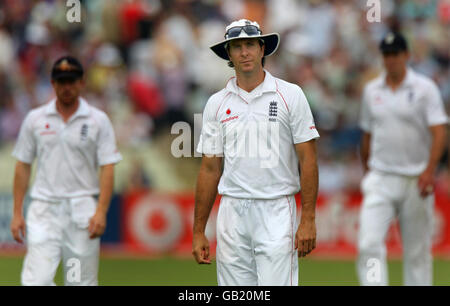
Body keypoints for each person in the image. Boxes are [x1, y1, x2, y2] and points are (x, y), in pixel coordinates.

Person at [192, 19, 320, 286]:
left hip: (276, 208)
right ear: (228, 54)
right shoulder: (216, 103)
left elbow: (307, 159)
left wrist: (307, 219)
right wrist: (198, 230)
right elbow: (210, 168)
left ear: (263, 49)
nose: (244, 52)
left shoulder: (290, 95)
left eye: (250, 44)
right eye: (236, 47)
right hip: (232, 212)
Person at [10, 56, 122, 286]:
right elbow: (23, 164)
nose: (67, 87)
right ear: (53, 83)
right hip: (43, 209)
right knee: (36, 281)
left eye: (71, 81)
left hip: (82, 210)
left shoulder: (98, 120)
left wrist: (101, 211)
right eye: (62, 82)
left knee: (80, 282)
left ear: (82, 83)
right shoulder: (36, 119)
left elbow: (107, 166)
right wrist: (17, 212)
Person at [358, 32, 448, 286]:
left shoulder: (424, 89)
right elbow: (366, 135)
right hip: (381, 176)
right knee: (368, 243)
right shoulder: (371, 90)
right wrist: (367, 172)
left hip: (415, 178)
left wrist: (430, 171)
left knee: (417, 251)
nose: (391, 60)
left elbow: (439, 131)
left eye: (395, 54)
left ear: (406, 55)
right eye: (386, 55)